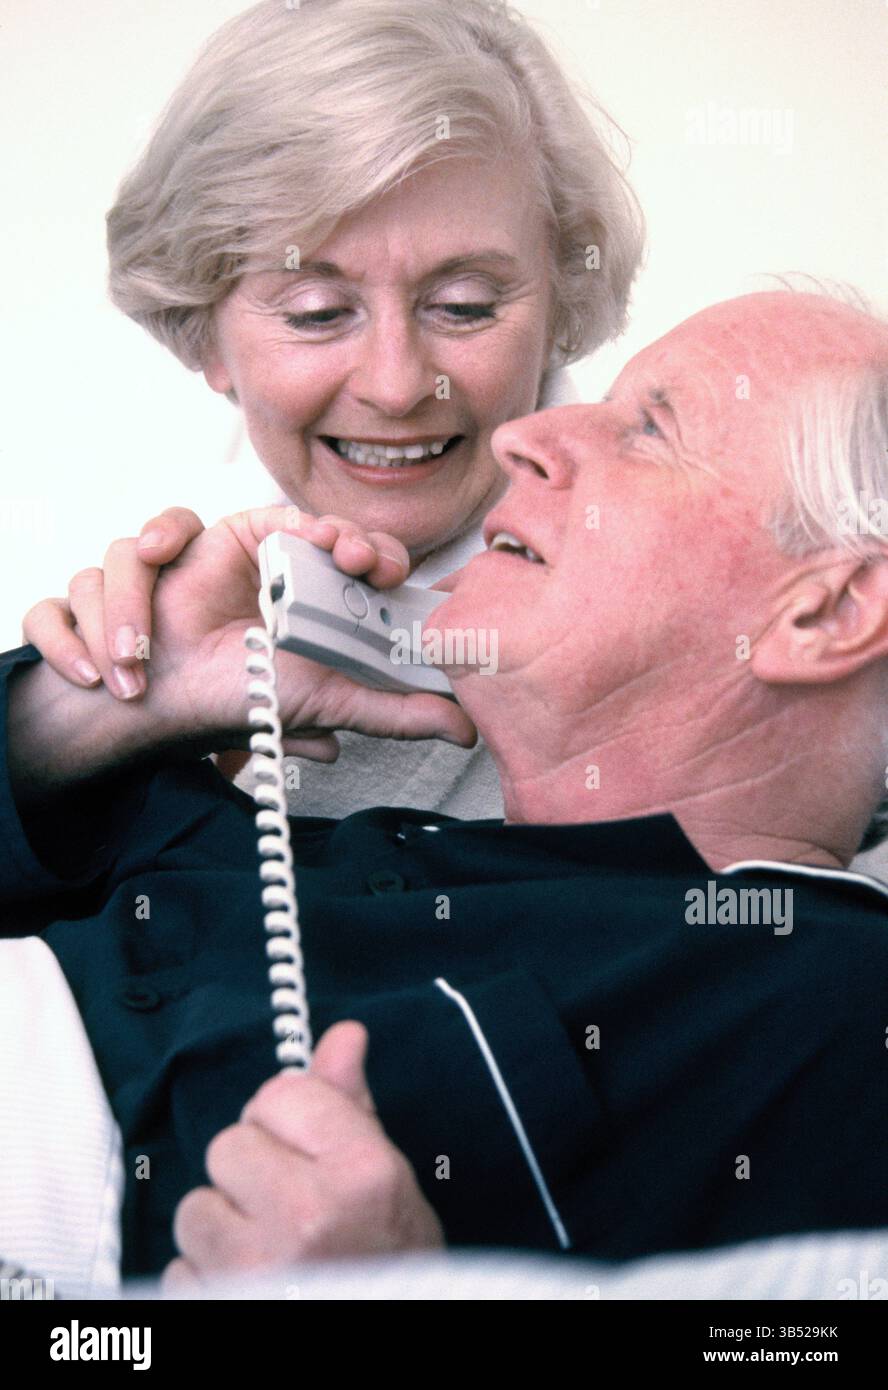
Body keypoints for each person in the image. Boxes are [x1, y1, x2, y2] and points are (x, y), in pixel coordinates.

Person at [2, 288, 888, 1291]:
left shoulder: (838, 1009)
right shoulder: (279, 820)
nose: (524, 436)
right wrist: (116, 711)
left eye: (652, 427)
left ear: (830, 611)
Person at [21, 0, 644, 821]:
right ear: (206, 336)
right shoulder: (144, 606)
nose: (396, 386)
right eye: (317, 312)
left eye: (463, 306)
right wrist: (82, 726)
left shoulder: (702, 576)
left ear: (560, 307)